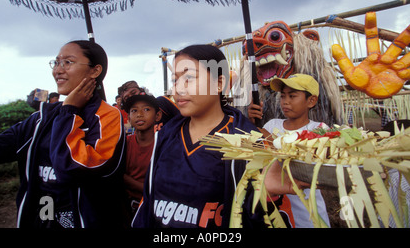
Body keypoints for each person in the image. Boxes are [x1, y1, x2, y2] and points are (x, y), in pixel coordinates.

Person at [132, 44, 297, 228]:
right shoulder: (165, 136)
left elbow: (269, 218)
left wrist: (266, 196)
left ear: (219, 83)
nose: (178, 89)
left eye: (189, 78)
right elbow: (147, 203)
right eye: (175, 80)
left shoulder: (248, 142)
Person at [0, 40, 129, 228]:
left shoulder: (107, 116)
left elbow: (76, 168)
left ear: (95, 71)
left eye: (68, 62)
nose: (58, 70)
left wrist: (69, 112)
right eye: (56, 62)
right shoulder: (41, 118)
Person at [249, 73, 331, 228]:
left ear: (311, 100)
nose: (285, 102)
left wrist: (273, 143)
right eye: (283, 96)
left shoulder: (319, 130)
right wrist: (250, 124)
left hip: (308, 216)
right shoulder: (272, 125)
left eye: (292, 96)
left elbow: (315, 171)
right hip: (277, 211)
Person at [122, 92, 161, 218]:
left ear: (158, 115)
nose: (139, 114)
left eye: (146, 109)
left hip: (155, 205)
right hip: (126, 205)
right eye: (134, 111)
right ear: (128, 118)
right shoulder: (124, 143)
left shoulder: (163, 145)